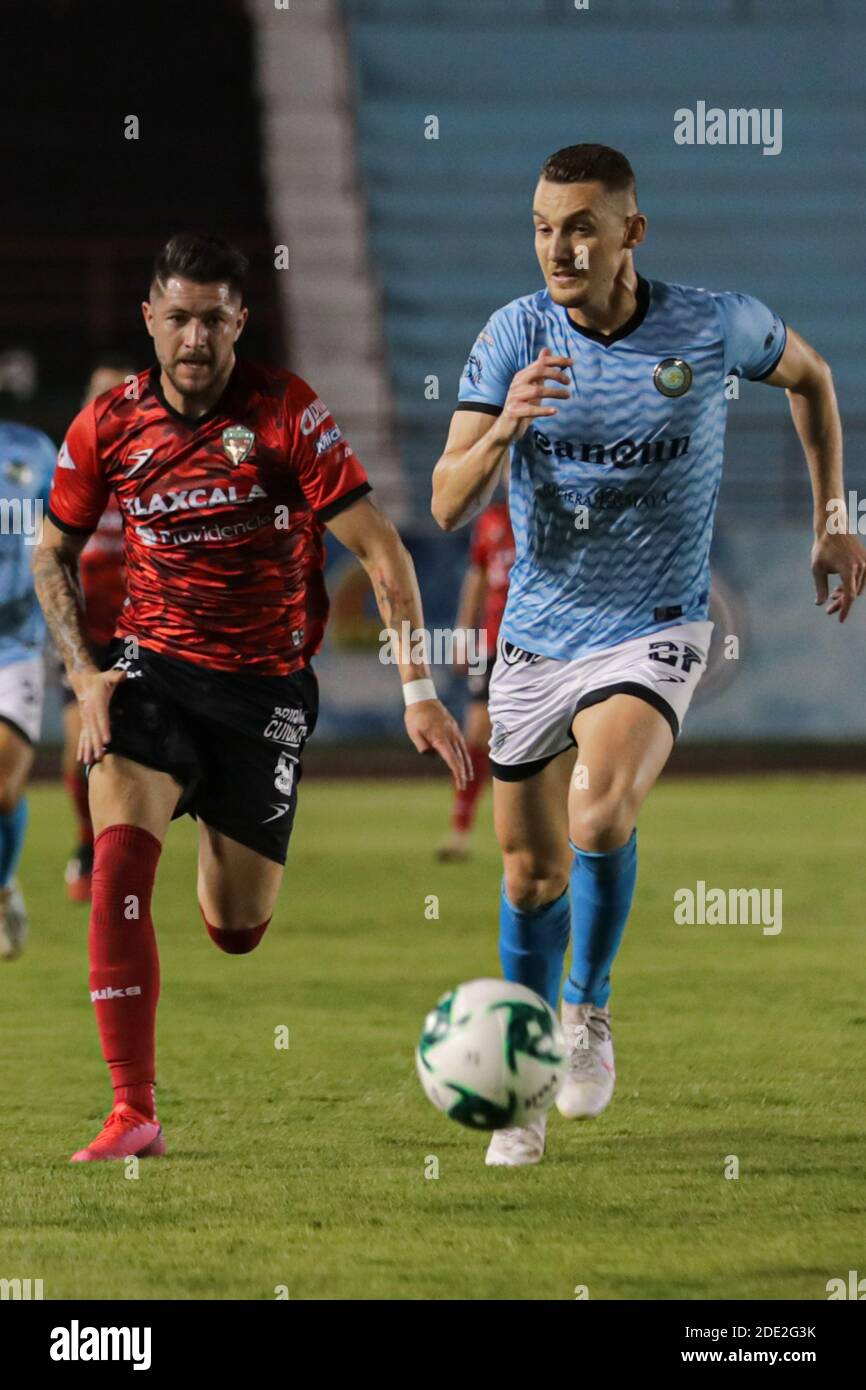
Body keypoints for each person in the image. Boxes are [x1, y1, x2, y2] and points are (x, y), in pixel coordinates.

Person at [432, 143, 866, 1166]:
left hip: (656, 623)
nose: (557, 247)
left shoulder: (708, 324)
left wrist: (832, 514)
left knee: (597, 806)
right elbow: (448, 500)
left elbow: (810, 376)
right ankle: (521, 1085)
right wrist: (502, 430)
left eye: (580, 225)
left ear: (631, 230)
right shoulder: (513, 337)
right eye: (542, 226)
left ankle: (585, 1009)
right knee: (529, 874)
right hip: (537, 638)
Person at [35, 232, 470, 1161]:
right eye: (179, 317)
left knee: (237, 930)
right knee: (118, 870)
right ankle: (133, 1111)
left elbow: (382, 550)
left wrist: (419, 692)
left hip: (264, 693)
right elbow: (50, 552)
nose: (195, 337)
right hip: (150, 673)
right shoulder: (107, 425)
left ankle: (214, 827)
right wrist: (86, 673)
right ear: (150, 318)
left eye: (214, 319)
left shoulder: (284, 413)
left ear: (241, 321)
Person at [61, 357, 135, 902]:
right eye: (98, 396)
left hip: (142, 634)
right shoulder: (69, 472)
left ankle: (119, 859)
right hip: (84, 636)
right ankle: (88, 845)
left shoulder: (154, 468)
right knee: (76, 751)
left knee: (126, 758)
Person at [0, 418, 56, 958]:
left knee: (2, 788)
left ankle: (3, 886)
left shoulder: (32, 449)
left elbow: (62, 537)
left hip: (14, 644)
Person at [437, 495, 514, 862]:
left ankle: (559, 831)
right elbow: (478, 575)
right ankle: (459, 828)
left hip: (543, 645)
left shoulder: (554, 512)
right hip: (493, 644)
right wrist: (463, 634)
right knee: (476, 735)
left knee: (554, 740)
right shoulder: (491, 521)